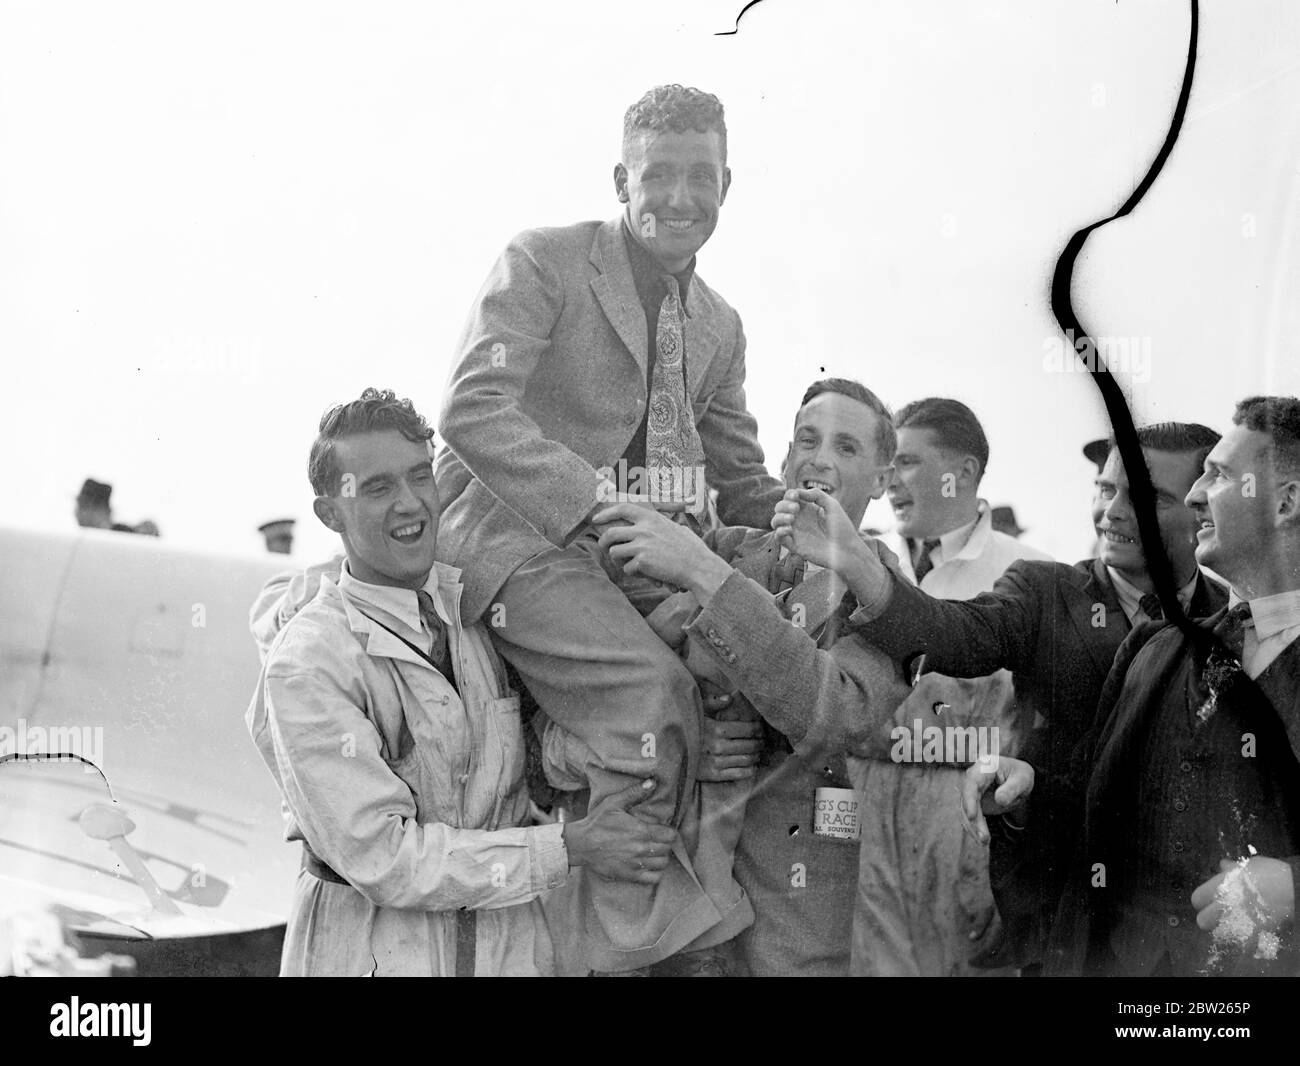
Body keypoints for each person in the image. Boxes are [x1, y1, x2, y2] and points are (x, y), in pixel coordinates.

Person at [434, 84, 784, 974]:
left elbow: (739, 475)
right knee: (650, 694)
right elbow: (471, 410)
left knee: (737, 673)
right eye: (657, 174)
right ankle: (623, 946)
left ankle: (670, 907)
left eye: (698, 176)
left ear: (727, 184)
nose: (678, 197)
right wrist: (590, 504)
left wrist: (815, 528)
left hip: (635, 556)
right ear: (620, 178)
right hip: (519, 538)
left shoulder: (720, 325)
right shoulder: (545, 260)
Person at [245, 389, 675, 977]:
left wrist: (626, 746)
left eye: (420, 476)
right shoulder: (311, 661)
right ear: (330, 514)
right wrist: (570, 847)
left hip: (506, 951)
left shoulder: (469, 610)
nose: (410, 504)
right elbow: (385, 859)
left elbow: (519, 753)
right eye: (377, 488)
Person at [593, 379, 1018, 974]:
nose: (820, 458)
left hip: (795, 921)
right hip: (676, 909)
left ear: (880, 477)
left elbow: (835, 716)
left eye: (847, 447)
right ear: (787, 457)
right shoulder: (728, 549)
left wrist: (706, 579)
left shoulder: (886, 596)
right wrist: (691, 735)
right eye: (807, 441)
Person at [798, 422, 1228, 970]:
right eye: (1105, 489)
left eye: (1145, 497)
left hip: (1183, 927)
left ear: (1201, 507)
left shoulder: (1233, 619)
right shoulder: (1043, 593)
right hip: (1056, 916)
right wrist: (858, 564)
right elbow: (950, 632)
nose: (1114, 511)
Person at [1045, 396, 1300, 976]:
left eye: (1221, 475)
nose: (1194, 495)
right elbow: (1089, 821)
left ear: (1285, 502)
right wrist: (1024, 786)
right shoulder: (1154, 647)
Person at [846, 398, 1053, 976]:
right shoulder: (858, 563)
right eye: (887, 464)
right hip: (864, 830)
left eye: (907, 462)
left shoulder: (1032, 576)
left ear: (962, 472)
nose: (889, 481)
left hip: (967, 831)